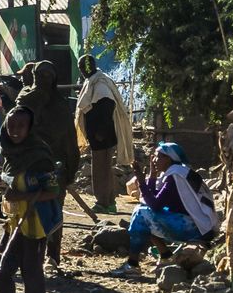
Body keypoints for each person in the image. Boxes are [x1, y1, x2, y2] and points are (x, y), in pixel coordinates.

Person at [0, 108, 61, 293]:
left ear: (30, 128)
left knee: (28, 276)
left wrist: (20, 194)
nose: (14, 130)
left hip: (34, 224)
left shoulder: (39, 155)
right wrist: (1, 182)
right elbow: (11, 179)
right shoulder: (11, 153)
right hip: (14, 221)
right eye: (11, 125)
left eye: (20, 126)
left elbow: (52, 190)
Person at [111, 142, 217, 276]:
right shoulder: (179, 172)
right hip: (200, 226)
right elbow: (153, 199)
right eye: (154, 157)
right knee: (145, 213)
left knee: (141, 213)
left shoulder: (175, 176)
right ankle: (165, 255)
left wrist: (142, 181)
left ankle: (133, 264)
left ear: (169, 159)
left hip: (196, 229)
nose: (155, 160)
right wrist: (152, 175)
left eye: (159, 157)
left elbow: (154, 204)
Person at [15, 60, 81, 270]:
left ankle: (52, 255)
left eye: (47, 76)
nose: (43, 80)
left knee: (53, 210)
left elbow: (70, 139)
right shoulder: (25, 100)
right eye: (40, 76)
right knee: (26, 209)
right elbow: (12, 133)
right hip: (28, 165)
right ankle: (27, 254)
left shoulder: (59, 105)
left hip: (54, 166)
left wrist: (71, 167)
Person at [74, 54, 132, 213]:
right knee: (101, 168)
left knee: (103, 169)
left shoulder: (100, 85)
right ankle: (106, 201)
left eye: (83, 68)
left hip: (103, 136)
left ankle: (105, 203)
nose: (82, 72)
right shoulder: (92, 82)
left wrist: (100, 132)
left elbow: (107, 107)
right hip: (97, 136)